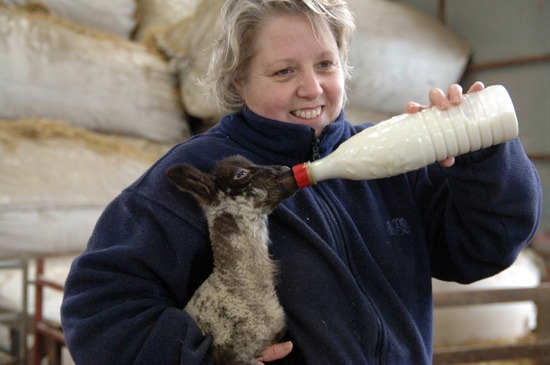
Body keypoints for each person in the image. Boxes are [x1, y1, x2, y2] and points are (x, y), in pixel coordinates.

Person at [61, 0, 542, 364]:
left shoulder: (394, 158)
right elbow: (99, 305)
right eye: (283, 70)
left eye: (325, 64)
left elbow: (482, 248)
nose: (311, 88)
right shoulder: (202, 175)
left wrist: (482, 156)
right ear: (237, 83)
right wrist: (201, 358)